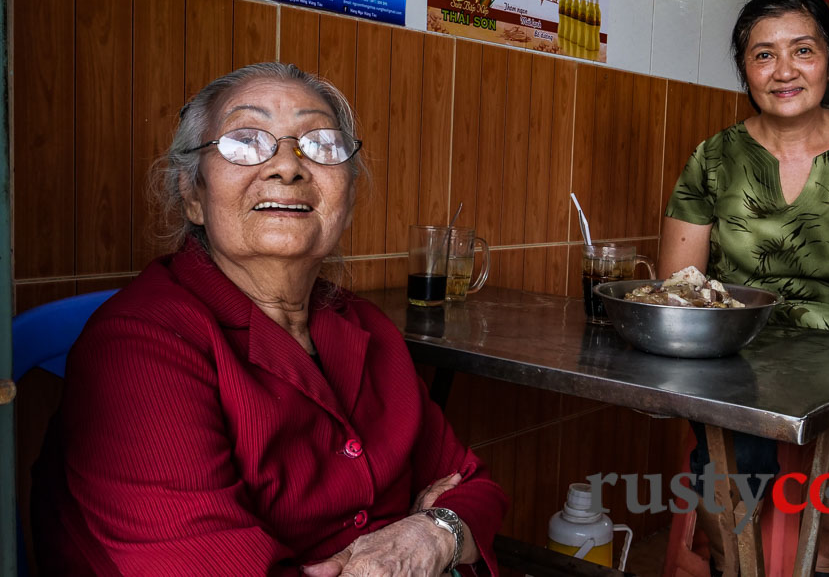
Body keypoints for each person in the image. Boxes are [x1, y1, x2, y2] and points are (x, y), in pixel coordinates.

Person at [33, 63, 508, 576]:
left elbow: (476, 488)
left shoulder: (367, 327)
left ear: (346, 199)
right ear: (193, 194)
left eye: (321, 144)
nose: (288, 166)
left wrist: (433, 532)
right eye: (245, 140)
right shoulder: (137, 346)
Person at [659, 0, 829, 577]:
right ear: (744, 70)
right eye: (763, 54)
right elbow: (680, 285)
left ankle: (816, 557)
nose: (784, 71)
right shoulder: (713, 158)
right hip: (735, 365)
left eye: (802, 50)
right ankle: (737, 561)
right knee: (727, 475)